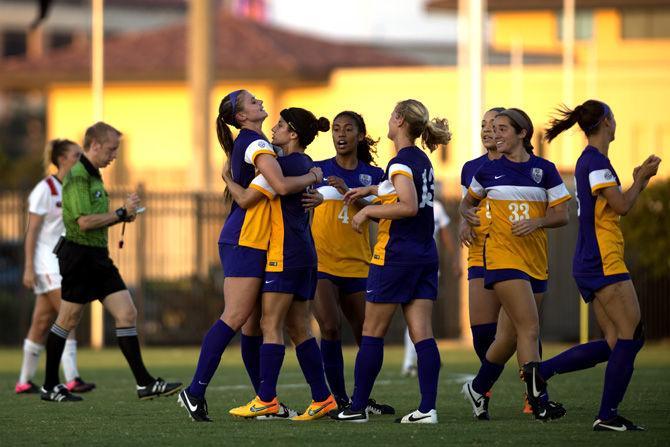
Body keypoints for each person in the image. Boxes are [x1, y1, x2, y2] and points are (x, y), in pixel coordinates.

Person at [177, 91, 323, 422]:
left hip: (256, 239)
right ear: (241, 117)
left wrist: (320, 185)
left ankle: (265, 401)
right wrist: (314, 177)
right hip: (245, 239)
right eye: (251, 101)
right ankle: (195, 392)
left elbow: (258, 191)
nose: (259, 101)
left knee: (254, 326)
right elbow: (281, 186)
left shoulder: (257, 142)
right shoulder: (256, 144)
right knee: (236, 316)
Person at [538, 100, 661, 431]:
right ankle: (607, 415)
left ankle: (542, 371)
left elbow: (613, 205)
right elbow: (621, 206)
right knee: (632, 335)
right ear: (607, 122)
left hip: (592, 260)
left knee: (614, 342)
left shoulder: (592, 162)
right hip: (602, 260)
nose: (617, 122)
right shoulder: (595, 162)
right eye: (615, 117)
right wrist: (643, 179)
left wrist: (635, 180)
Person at [40, 122, 182, 402]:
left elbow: (98, 217)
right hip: (79, 257)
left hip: (97, 258)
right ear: (94, 145)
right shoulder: (78, 176)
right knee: (67, 319)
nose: (114, 155)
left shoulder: (94, 176)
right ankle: (49, 386)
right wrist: (120, 212)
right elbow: (83, 222)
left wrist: (125, 214)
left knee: (127, 313)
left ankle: (145, 383)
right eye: (111, 148)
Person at [330, 99, 451, 424]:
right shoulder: (420, 159)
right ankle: (427, 409)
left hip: (396, 254)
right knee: (422, 332)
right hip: (425, 254)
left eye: (391, 115)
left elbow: (408, 205)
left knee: (372, 331)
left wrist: (368, 210)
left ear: (398, 120)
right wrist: (368, 189)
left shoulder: (399, 162)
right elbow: (398, 190)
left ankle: (356, 407)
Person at [459, 108, 570, 421]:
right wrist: (464, 220)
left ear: (522, 133)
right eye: (493, 129)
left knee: (508, 337)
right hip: (501, 258)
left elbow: (562, 215)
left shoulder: (545, 170)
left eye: (502, 129)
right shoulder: (486, 172)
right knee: (530, 328)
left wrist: (536, 222)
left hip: (534, 260)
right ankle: (539, 402)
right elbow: (467, 203)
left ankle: (478, 387)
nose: (495, 134)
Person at [226, 107, 336, 421]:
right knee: (299, 328)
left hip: (283, 254)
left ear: (293, 134)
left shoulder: (282, 166)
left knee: (269, 325)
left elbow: (245, 199)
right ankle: (322, 398)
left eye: (281, 125)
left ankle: (266, 399)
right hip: (305, 254)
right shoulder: (306, 164)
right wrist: (316, 175)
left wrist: (226, 179)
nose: (273, 128)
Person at [310, 110, 393, 415]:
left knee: (368, 335)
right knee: (330, 328)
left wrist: (349, 193)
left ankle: (362, 400)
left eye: (347, 129)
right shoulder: (317, 170)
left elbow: (385, 209)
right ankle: (340, 399)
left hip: (359, 265)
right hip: (321, 264)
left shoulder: (375, 176)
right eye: (336, 129)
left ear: (360, 136)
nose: (340, 135)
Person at [17, 139, 95, 395]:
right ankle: (72, 378)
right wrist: (29, 267)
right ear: (62, 159)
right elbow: (32, 232)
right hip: (45, 262)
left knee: (41, 321)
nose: (80, 159)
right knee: (68, 314)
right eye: (76, 155)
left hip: (64, 262)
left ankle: (24, 381)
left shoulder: (75, 187)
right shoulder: (45, 189)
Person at [453, 108, 504, 417]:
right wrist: (464, 222)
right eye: (483, 125)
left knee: (525, 328)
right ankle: (483, 390)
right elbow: (466, 207)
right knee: (483, 332)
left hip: (517, 256)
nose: (487, 130)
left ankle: (535, 393)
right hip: (480, 254)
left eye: (495, 125)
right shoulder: (472, 167)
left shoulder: (528, 167)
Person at [401, 187, 461, 378]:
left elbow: (446, 236)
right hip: (406, 265)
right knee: (414, 317)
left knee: (421, 317)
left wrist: (455, 260)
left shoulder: (436, 207)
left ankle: (416, 360)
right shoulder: (404, 204)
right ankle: (413, 361)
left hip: (428, 266)